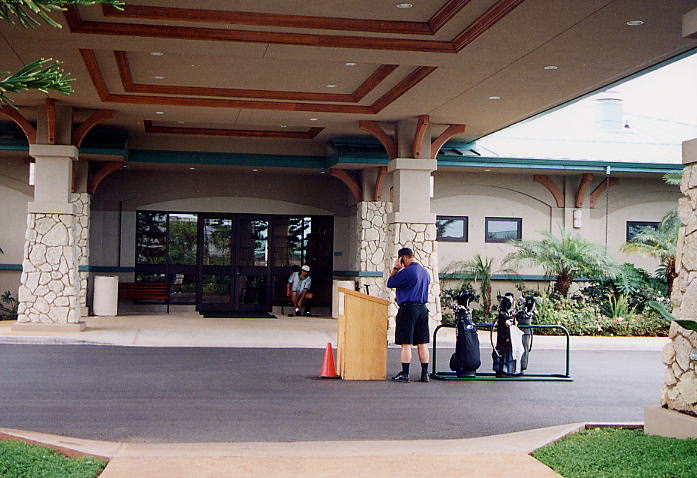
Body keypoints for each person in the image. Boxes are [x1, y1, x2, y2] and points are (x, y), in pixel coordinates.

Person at [386, 247, 431, 383]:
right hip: (422, 309)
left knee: (406, 342)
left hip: (408, 309)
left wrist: (396, 268)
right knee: (422, 342)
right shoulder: (425, 272)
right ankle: (425, 374)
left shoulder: (406, 271)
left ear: (404, 258)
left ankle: (405, 373)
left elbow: (390, 283)